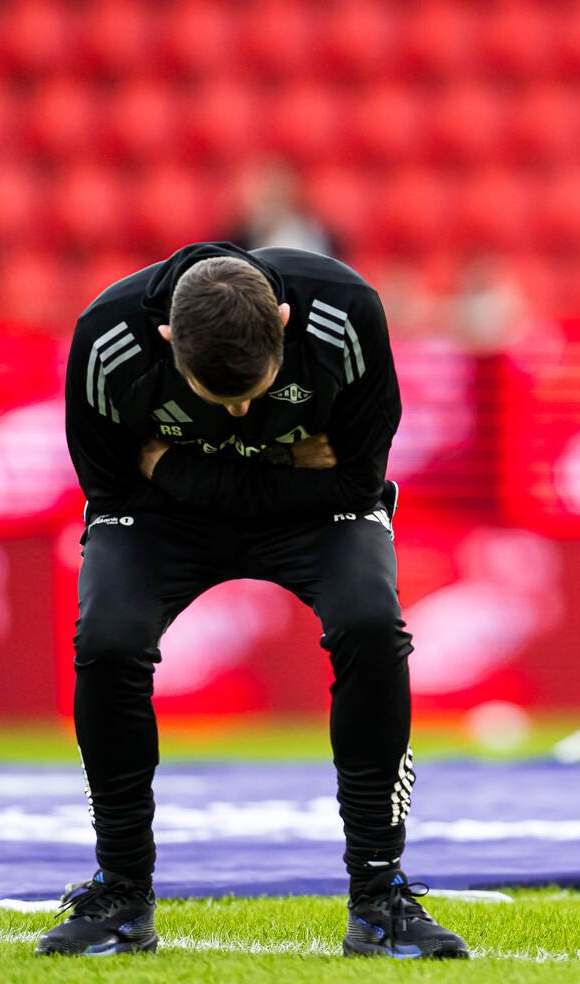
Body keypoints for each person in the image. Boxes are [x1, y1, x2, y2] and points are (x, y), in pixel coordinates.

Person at [40, 240, 469, 959]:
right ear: (168, 340)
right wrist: (281, 467)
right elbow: (110, 488)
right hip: (173, 514)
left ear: (285, 319)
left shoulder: (347, 314)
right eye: (219, 400)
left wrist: (175, 463)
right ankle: (120, 892)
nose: (240, 410)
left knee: (371, 624)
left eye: (255, 393)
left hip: (280, 507)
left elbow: (359, 483)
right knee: (107, 640)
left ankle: (378, 896)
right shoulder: (108, 339)